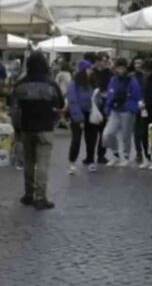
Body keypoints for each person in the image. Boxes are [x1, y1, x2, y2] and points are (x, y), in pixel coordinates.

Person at [9, 53, 64, 210]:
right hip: (45, 127)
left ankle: (28, 195)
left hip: (26, 127)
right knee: (43, 163)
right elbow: (60, 103)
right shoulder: (51, 85)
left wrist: (16, 128)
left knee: (28, 161)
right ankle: (41, 197)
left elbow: (13, 107)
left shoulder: (20, 85)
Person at [101, 58, 142, 166]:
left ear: (125, 68)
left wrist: (130, 107)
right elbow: (110, 94)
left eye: (122, 68)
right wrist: (107, 108)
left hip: (127, 111)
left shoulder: (132, 81)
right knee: (108, 134)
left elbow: (137, 96)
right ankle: (115, 154)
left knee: (126, 135)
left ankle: (126, 156)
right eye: (118, 68)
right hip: (115, 110)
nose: (120, 70)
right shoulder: (113, 80)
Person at [66, 59, 101, 173]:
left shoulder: (92, 83)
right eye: (88, 69)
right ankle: (72, 162)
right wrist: (78, 117)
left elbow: (96, 98)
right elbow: (72, 101)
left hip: (90, 113)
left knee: (91, 138)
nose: (90, 71)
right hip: (78, 114)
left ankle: (91, 160)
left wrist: (98, 100)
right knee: (76, 139)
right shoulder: (74, 84)